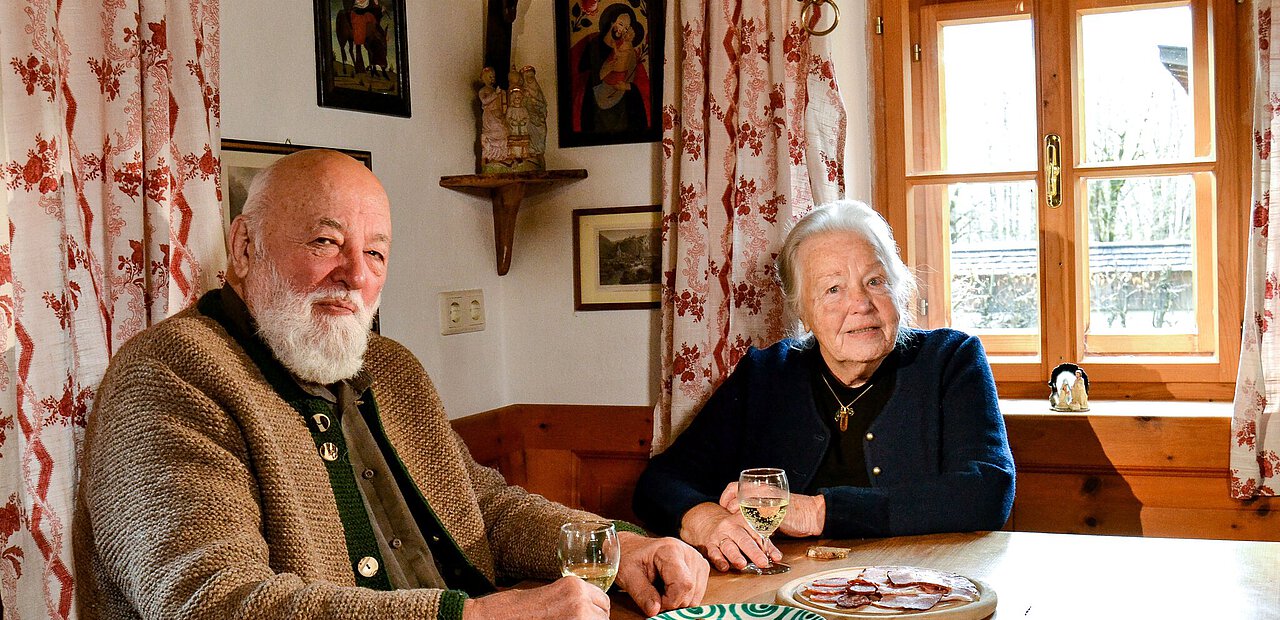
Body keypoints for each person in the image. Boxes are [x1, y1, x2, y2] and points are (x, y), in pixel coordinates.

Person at [73, 150, 708, 619]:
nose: (354, 275)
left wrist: (618, 548)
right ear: (244, 247)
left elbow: (483, 507)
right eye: (326, 242)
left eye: (375, 254)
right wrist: (477, 616)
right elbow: (214, 602)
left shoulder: (390, 367)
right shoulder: (165, 375)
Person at [632, 200, 1015, 573]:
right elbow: (661, 481)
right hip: (789, 596)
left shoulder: (951, 359)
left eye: (875, 281)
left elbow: (989, 490)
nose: (861, 303)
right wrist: (705, 518)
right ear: (803, 310)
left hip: (923, 588)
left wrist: (819, 511)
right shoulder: (766, 375)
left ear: (899, 289)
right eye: (833, 289)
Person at [577, 3, 648, 135]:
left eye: (626, 28)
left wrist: (627, 87)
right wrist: (603, 71)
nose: (622, 30)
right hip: (597, 104)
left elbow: (637, 82)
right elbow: (581, 75)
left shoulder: (628, 51)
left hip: (622, 106)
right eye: (620, 24)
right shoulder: (594, 46)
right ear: (611, 21)